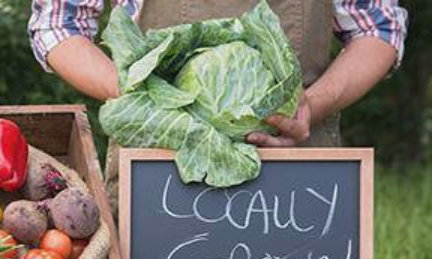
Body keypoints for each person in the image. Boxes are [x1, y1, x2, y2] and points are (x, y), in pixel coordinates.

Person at [28, 0, 407, 212]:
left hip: (298, 187)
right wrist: (148, 99)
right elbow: (58, 23)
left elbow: (378, 29)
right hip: (159, 179)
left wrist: (315, 104)